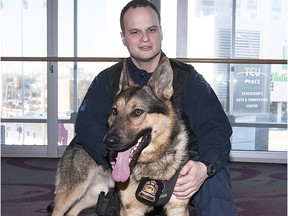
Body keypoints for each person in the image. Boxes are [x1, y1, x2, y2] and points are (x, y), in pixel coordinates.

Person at [75, 0, 237, 215]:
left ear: (161, 32)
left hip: (183, 165)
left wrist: (205, 167)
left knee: (215, 183)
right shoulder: (109, 79)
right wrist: (111, 156)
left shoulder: (188, 78)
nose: (144, 38)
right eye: (134, 32)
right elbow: (87, 126)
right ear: (123, 37)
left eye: (151, 30)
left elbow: (216, 127)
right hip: (129, 162)